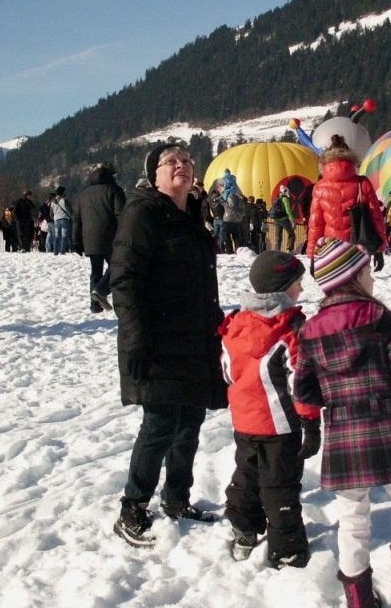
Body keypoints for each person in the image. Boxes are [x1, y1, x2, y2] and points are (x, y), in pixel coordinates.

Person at [293, 238, 391, 608]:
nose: (372, 277)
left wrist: (335, 397)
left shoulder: (308, 332)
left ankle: (359, 603)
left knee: (352, 520)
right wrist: (388, 393)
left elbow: (303, 390)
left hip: (342, 435)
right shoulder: (380, 318)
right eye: (367, 271)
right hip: (387, 426)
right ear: (353, 277)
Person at [111, 143, 228, 548]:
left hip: (194, 336)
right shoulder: (143, 212)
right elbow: (124, 280)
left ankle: (176, 499)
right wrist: (136, 336)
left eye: (186, 161)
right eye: (170, 162)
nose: (181, 166)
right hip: (157, 338)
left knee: (190, 422)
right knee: (159, 424)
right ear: (154, 175)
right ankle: (132, 508)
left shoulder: (191, 214)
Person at [219, 250, 318, 568]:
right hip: (280, 427)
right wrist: (311, 423)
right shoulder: (290, 327)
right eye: (297, 283)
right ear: (281, 289)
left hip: (244, 422)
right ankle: (286, 548)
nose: (301, 290)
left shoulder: (236, 322)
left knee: (246, 476)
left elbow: (227, 371)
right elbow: (301, 381)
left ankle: (243, 529)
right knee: (280, 485)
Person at [305, 135, 387, 271]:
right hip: (360, 247)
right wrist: (379, 248)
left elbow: (315, 224)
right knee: (359, 287)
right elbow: (376, 217)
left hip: (331, 248)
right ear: (351, 158)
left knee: (337, 287)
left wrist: (313, 256)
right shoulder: (362, 183)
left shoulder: (320, 187)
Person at [73, 162, 126, 313]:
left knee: (95, 272)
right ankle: (110, 297)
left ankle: (95, 306)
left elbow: (76, 218)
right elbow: (121, 214)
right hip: (112, 236)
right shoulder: (114, 190)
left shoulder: (83, 193)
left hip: (90, 238)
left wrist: (76, 240)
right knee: (117, 267)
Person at [271, 185, 295, 253]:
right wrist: (291, 219)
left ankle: (277, 250)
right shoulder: (285, 199)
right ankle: (289, 249)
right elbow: (288, 210)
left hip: (276, 220)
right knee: (292, 234)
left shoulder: (277, 198)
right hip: (284, 220)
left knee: (278, 237)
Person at [51, 186, 73, 255]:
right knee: (64, 236)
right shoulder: (64, 200)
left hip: (56, 219)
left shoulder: (52, 202)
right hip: (64, 219)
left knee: (57, 236)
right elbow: (69, 210)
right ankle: (62, 251)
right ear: (62, 192)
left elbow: (51, 214)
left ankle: (55, 251)